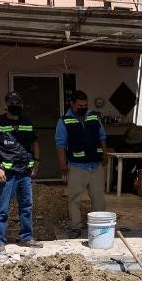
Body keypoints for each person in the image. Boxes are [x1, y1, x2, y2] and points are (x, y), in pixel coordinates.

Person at [0, 91, 43, 253]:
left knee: (26, 207)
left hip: (24, 172)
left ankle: (26, 237)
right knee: (2, 208)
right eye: (12, 103)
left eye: (18, 103)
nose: (15, 105)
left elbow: (35, 142)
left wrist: (36, 163)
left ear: (22, 105)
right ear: (6, 104)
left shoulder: (27, 122)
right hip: (6, 173)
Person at [56, 90, 108, 237]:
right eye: (79, 106)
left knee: (99, 198)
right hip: (76, 166)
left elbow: (102, 136)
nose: (83, 108)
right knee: (74, 199)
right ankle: (76, 227)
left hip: (96, 165)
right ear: (72, 104)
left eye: (85, 105)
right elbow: (60, 144)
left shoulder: (94, 117)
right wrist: (62, 164)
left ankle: (99, 227)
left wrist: (104, 154)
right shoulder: (64, 121)